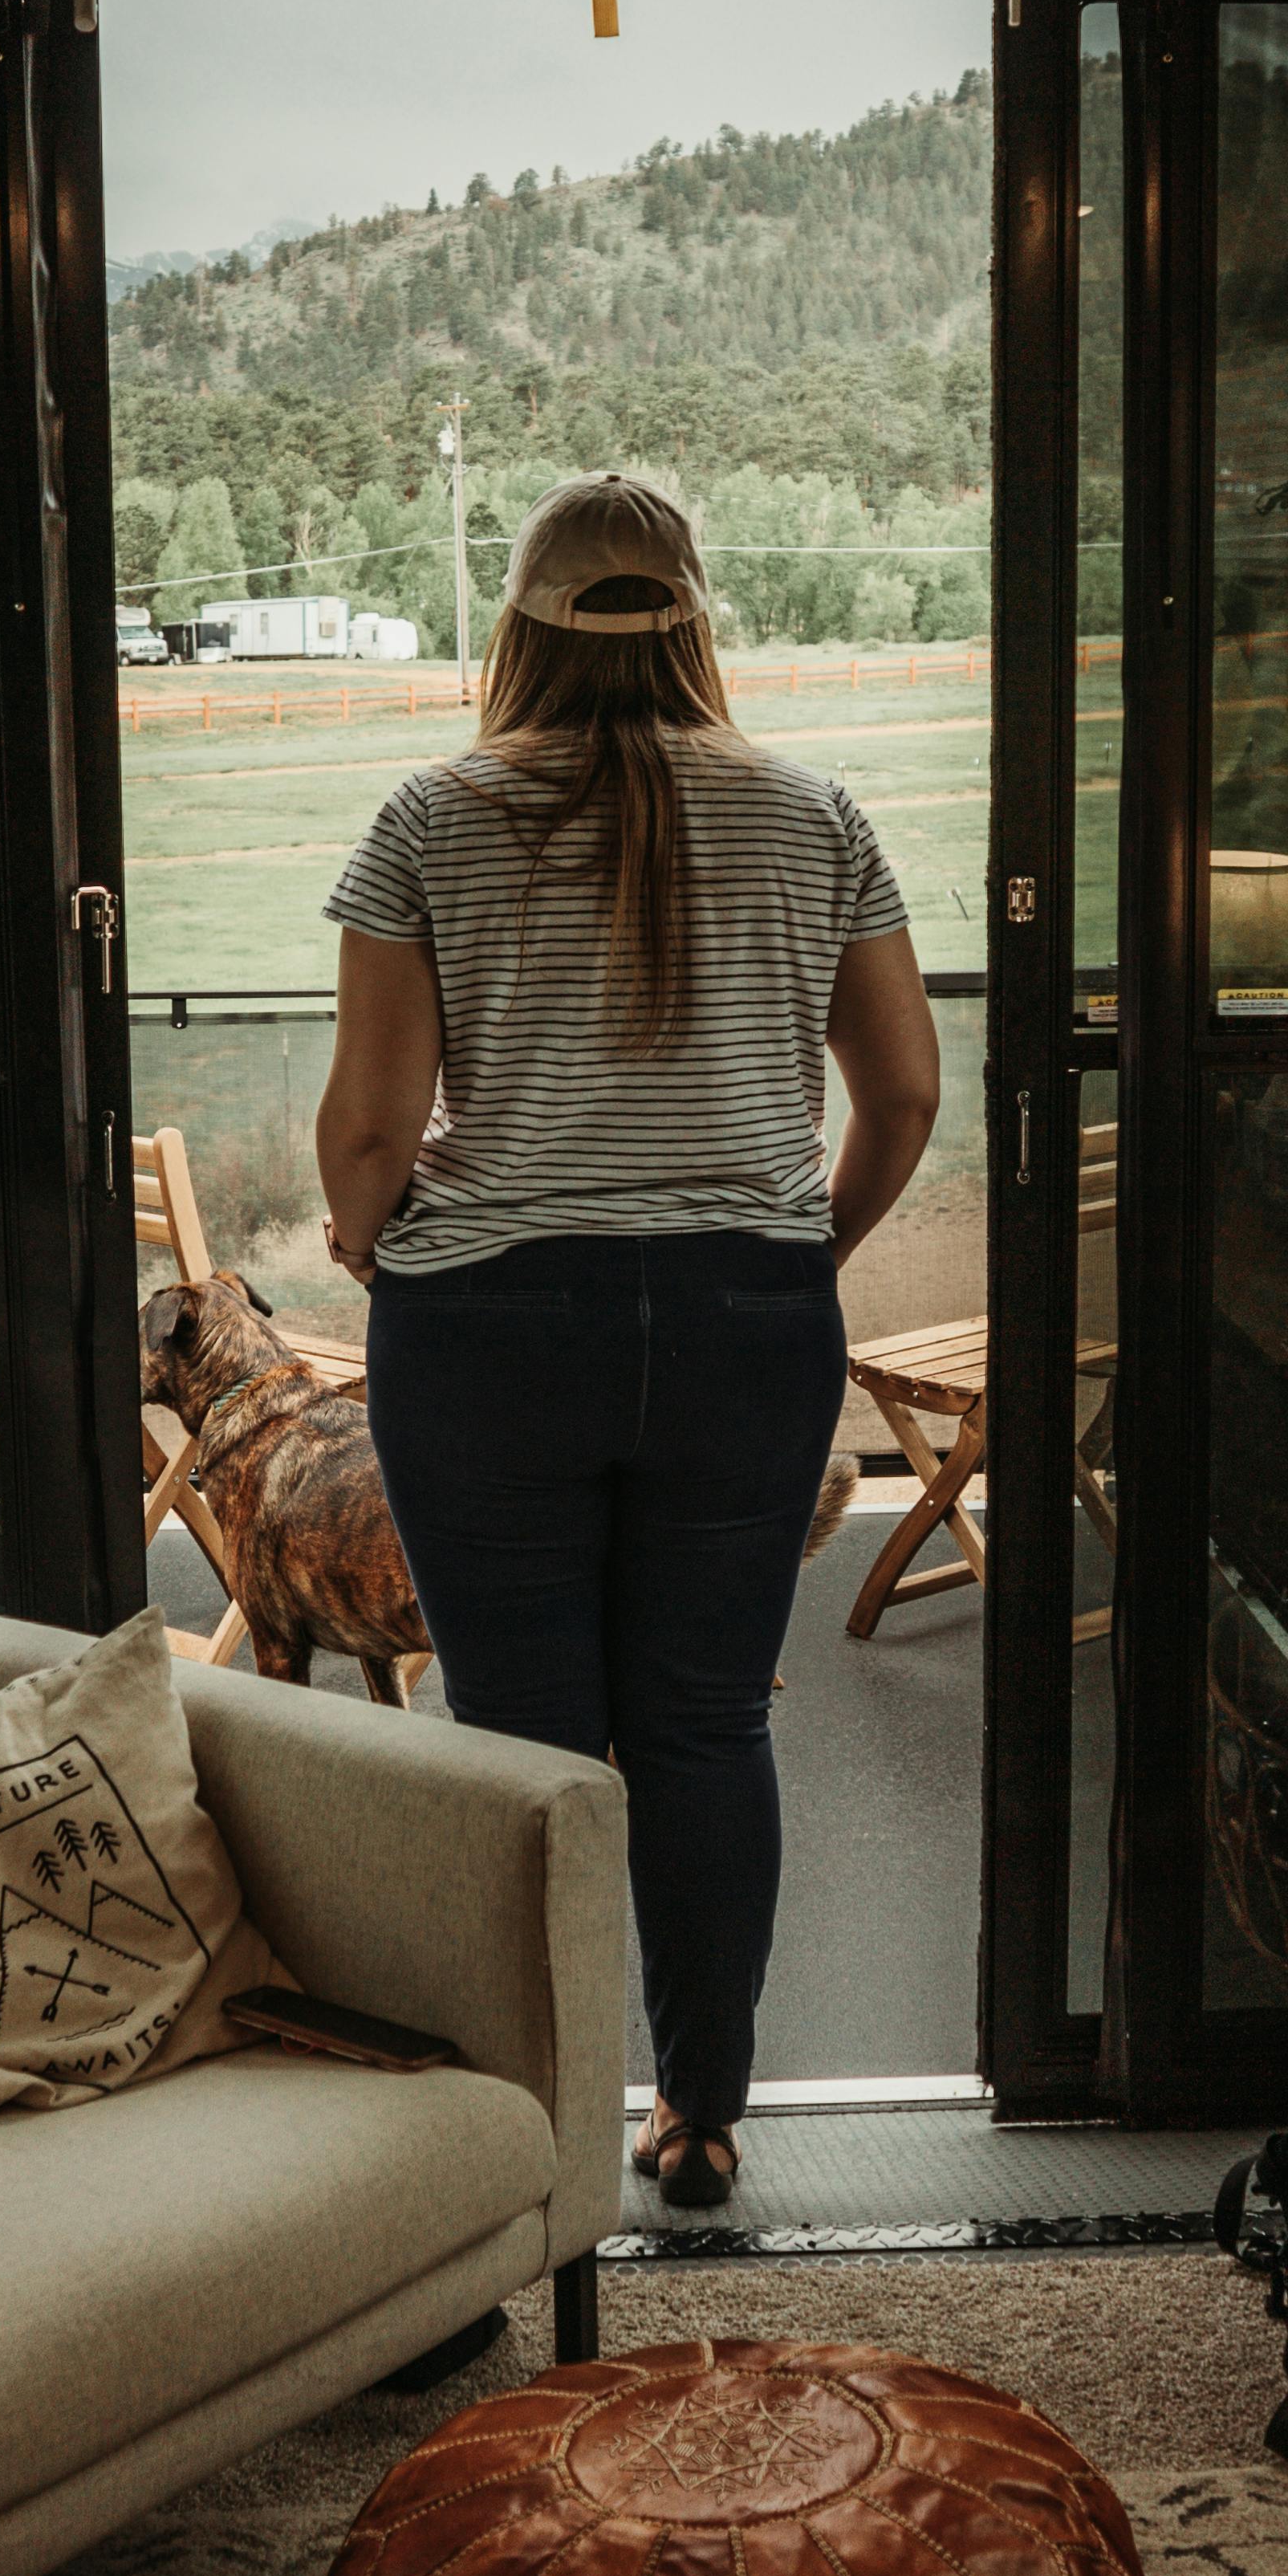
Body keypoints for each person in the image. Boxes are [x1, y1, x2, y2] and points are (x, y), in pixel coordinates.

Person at [314, 474, 944, 2211]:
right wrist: (801, 1246)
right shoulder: (815, 814)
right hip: (747, 1318)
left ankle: (532, 2130)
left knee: (519, 1738)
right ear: (695, 621)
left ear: (518, 625)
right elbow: (902, 1092)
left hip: (494, 1327)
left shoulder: (426, 821)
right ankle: (704, 2116)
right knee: (704, 1721)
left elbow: (369, 1133)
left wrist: (378, 1245)